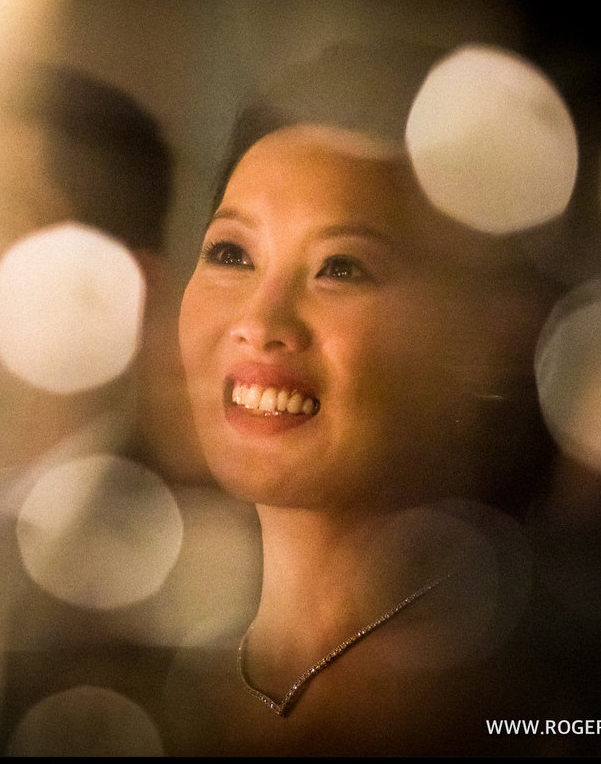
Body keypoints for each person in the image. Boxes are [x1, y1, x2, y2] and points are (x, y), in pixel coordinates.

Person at [161, 41, 576, 755]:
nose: (261, 324)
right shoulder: (149, 677)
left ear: (480, 339)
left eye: (341, 267)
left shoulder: (524, 703)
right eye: (232, 253)